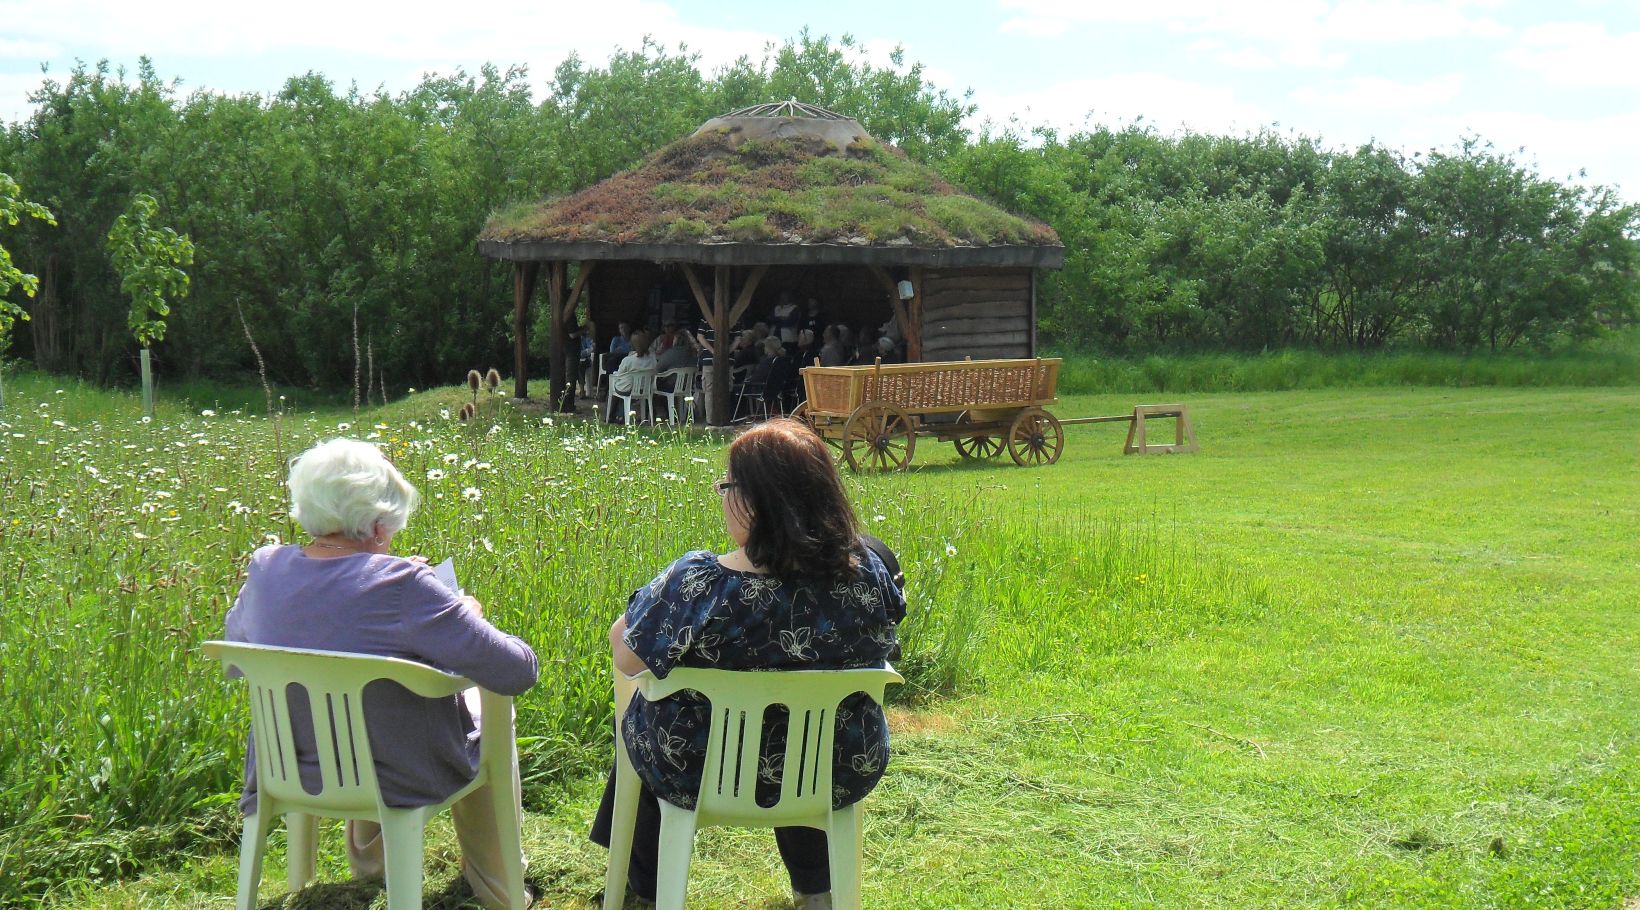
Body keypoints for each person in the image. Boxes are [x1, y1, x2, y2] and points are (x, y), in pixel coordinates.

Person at [591, 419, 905, 909]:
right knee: (801, 737)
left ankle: (645, 890)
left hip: (697, 770)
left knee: (640, 714)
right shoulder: (868, 575)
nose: (721, 497)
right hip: (838, 767)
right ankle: (817, 892)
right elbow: (891, 632)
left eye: (727, 486)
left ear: (757, 501)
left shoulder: (698, 584)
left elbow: (626, 654)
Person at [225, 438, 538, 910]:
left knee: (377, 703)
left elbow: (235, 651)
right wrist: (462, 609)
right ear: (376, 526)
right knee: (489, 711)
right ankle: (499, 887)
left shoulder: (265, 569)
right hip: (397, 773)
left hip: (287, 763)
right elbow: (515, 671)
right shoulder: (405, 586)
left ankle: (371, 866)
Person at [609, 331, 657, 422]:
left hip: (628, 389)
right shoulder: (652, 358)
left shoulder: (628, 360)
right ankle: (645, 416)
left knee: (614, 387)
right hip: (645, 389)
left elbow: (619, 374)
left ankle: (612, 416)